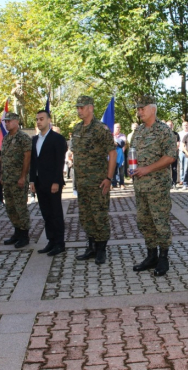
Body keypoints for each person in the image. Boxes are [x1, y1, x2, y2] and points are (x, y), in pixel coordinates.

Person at [130, 95, 177, 276]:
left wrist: (147, 169)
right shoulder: (139, 131)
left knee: (160, 222)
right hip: (140, 186)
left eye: (142, 108)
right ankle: (151, 255)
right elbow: (133, 153)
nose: (139, 111)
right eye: (138, 109)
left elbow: (170, 156)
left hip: (157, 186)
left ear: (152, 109)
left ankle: (163, 257)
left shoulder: (164, 131)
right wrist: (132, 168)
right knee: (144, 221)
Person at [73, 96, 116, 265]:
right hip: (82, 183)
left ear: (90, 108)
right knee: (86, 216)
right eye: (77, 107)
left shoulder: (100, 128)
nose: (79, 110)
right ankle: (91, 246)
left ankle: (101, 249)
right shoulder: (77, 129)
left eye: (82, 107)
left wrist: (109, 178)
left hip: (98, 182)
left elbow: (112, 153)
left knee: (99, 216)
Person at [30, 110, 68, 256]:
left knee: (56, 213)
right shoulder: (34, 139)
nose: (39, 122)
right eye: (37, 119)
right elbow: (34, 162)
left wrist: (57, 181)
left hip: (53, 182)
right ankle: (51, 241)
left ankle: (60, 243)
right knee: (46, 213)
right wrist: (32, 180)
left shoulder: (57, 138)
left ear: (49, 120)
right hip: (39, 182)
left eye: (41, 119)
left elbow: (59, 162)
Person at [0, 112, 32, 248]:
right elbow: (4, 158)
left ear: (16, 122)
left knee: (20, 207)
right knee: (11, 208)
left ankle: (24, 235)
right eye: (5, 121)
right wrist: (2, 174)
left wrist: (23, 176)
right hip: (7, 179)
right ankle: (17, 232)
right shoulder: (6, 138)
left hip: (18, 178)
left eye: (9, 121)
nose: (6, 123)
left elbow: (27, 158)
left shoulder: (23, 138)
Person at [166, 120, 180, 189]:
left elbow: (178, 144)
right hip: (165, 155)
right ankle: (167, 183)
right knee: (166, 169)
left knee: (174, 169)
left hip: (174, 154)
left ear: (172, 126)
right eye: (168, 125)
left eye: (171, 125)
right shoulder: (164, 134)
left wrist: (173, 151)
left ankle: (174, 183)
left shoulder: (176, 134)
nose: (169, 126)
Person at [112, 123, 127, 190]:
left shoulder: (122, 135)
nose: (118, 129)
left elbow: (122, 143)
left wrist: (114, 142)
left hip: (121, 156)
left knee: (121, 170)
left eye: (119, 127)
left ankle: (122, 184)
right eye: (117, 127)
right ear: (113, 128)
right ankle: (113, 184)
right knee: (112, 169)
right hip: (112, 155)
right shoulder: (110, 135)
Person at [178, 121, 188, 186]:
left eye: (186, 125)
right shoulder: (179, 133)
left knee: (186, 167)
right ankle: (181, 180)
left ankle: (185, 180)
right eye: (184, 125)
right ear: (182, 126)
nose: (185, 126)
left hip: (187, 152)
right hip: (181, 152)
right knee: (181, 167)